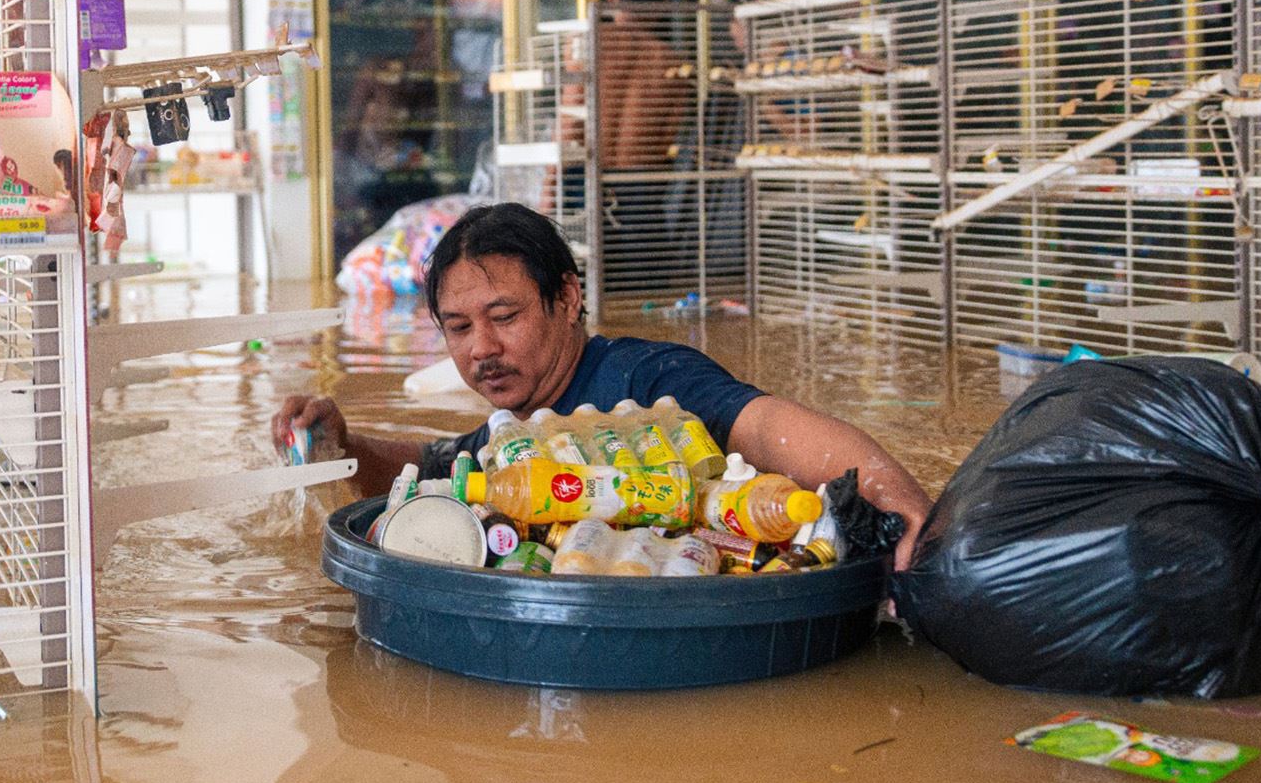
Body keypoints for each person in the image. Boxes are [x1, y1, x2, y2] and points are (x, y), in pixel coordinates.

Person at [274, 202, 933, 569]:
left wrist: (900, 509)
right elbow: (436, 465)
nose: (482, 348)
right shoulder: (518, 435)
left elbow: (767, 427)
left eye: (504, 317)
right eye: (457, 327)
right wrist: (344, 445)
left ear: (567, 298)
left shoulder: (646, 382)